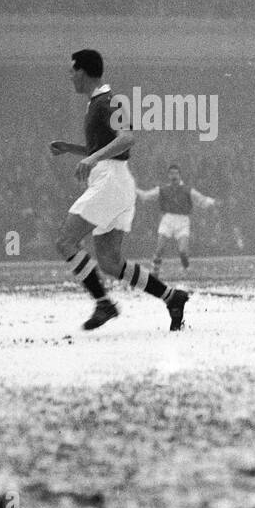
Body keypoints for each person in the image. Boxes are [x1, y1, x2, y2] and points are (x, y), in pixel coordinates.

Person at [51, 49, 189, 330]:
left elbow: (127, 137)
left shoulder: (106, 101)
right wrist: (75, 150)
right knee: (110, 262)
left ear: (84, 71)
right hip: (117, 183)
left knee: (66, 241)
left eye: (72, 70)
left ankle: (104, 303)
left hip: (110, 182)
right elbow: (105, 147)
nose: (69, 76)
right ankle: (171, 297)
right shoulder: (97, 103)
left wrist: (90, 158)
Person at [136, 164, 218, 274]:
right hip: (168, 219)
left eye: (175, 173)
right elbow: (146, 195)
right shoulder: (163, 189)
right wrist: (134, 189)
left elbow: (201, 199)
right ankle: (155, 271)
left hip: (183, 221)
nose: (173, 176)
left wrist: (212, 202)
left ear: (179, 175)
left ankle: (186, 267)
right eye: (171, 174)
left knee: (183, 251)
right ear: (168, 176)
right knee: (160, 248)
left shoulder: (187, 190)